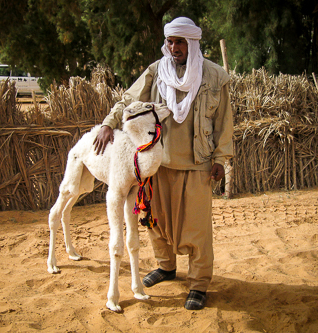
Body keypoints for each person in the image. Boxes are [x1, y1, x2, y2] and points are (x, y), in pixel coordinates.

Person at [93, 17, 233, 310]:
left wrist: (220, 158)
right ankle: (166, 266)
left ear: (192, 43)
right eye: (170, 42)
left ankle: (198, 284)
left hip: (197, 165)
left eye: (180, 42)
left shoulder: (214, 77)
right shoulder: (156, 72)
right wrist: (108, 123)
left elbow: (224, 123)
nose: (174, 48)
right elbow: (128, 100)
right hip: (158, 165)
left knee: (196, 229)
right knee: (155, 223)